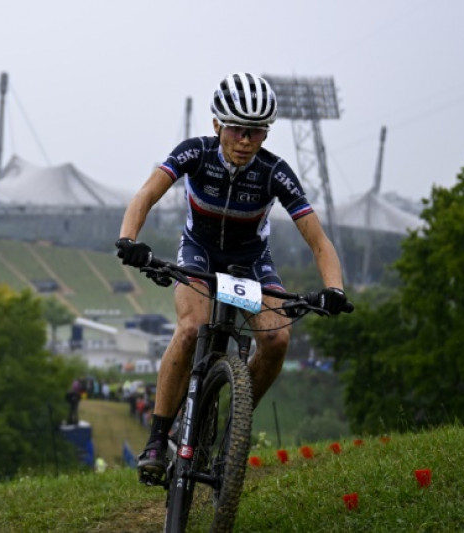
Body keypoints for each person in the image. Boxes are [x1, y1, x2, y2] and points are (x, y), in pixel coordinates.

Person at [115, 72, 348, 483]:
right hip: (200, 253)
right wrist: (129, 239)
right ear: (217, 125)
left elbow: (318, 239)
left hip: (250, 261)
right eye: (238, 129)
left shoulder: (275, 171)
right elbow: (146, 194)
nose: (246, 140)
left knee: (277, 339)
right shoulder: (194, 153)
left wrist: (334, 288)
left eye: (257, 132)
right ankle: (157, 438)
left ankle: (233, 423)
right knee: (191, 329)